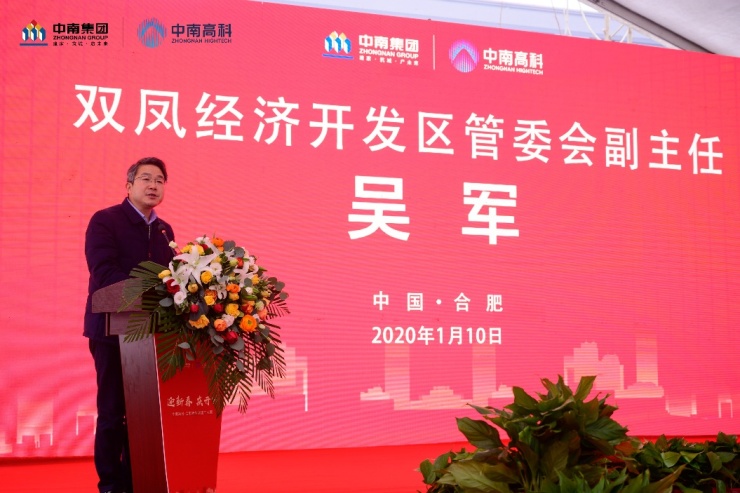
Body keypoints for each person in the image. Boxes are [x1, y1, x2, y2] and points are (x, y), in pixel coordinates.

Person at [83, 157, 175, 493]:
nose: (153, 186)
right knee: (113, 412)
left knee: (143, 415)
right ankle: (111, 484)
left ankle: (139, 481)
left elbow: (172, 279)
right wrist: (154, 292)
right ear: (129, 185)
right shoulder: (105, 220)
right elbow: (104, 274)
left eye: (160, 181)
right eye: (146, 179)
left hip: (151, 335)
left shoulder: (165, 231)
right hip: (111, 330)